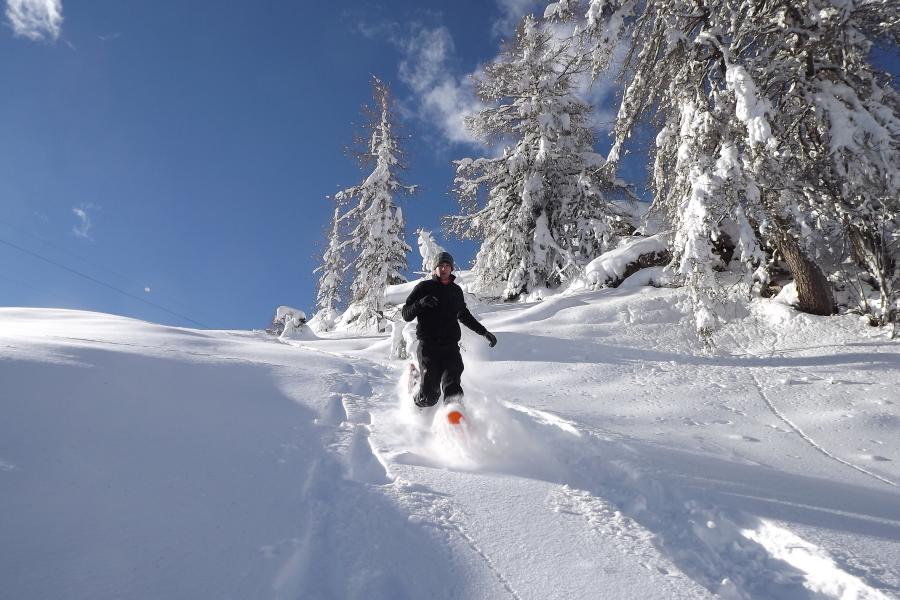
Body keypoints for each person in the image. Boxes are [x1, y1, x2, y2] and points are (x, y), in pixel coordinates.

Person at [402, 252, 497, 407]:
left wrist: (484, 332)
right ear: (434, 269)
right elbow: (406, 314)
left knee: (453, 387)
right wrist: (420, 303)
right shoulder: (424, 287)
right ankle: (416, 388)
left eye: (447, 266)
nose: (444, 268)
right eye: (440, 265)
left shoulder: (455, 291)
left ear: (451, 268)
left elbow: (464, 315)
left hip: (450, 348)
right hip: (429, 347)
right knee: (430, 396)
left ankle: (454, 415)